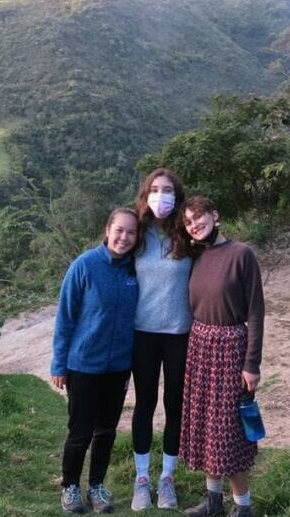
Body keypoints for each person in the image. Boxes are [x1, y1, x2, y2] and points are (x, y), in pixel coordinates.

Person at [179, 196, 264, 517]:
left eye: (198, 217)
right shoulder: (196, 256)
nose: (194, 224)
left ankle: (243, 506)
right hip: (199, 345)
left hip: (231, 347)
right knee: (207, 428)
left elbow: (256, 311)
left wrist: (251, 364)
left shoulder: (241, 254)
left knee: (228, 430)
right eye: (187, 222)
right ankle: (213, 502)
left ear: (215, 215)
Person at [51, 208, 140, 514]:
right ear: (107, 229)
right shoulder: (84, 265)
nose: (124, 237)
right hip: (83, 365)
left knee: (106, 430)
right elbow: (65, 317)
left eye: (131, 232)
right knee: (80, 431)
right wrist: (58, 364)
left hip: (118, 367)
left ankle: (97, 486)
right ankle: (70, 487)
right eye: (119, 230)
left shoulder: (135, 270)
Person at [129, 169, 193, 511]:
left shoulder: (187, 234)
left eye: (167, 190)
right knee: (144, 405)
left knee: (174, 406)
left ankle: (167, 478)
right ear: (145, 194)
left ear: (177, 195)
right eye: (154, 189)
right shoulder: (137, 233)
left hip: (180, 334)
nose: (160, 196)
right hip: (143, 335)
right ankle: (142, 479)